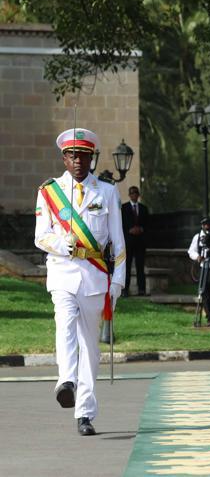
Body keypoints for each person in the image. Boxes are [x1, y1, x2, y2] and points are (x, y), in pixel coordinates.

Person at [34, 128, 125, 436]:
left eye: (84, 156)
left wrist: (118, 284)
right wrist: (63, 244)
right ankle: (66, 380)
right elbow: (40, 237)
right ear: (64, 157)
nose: (78, 162)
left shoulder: (108, 192)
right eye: (72, 155)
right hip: (62, 272)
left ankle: (84, 413)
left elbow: (119, 242)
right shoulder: (49, 191)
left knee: (90, 346)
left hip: (96, 276)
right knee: (64, 323)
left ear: (92, 158)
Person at [121, 185, 148, 296]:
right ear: (129, 195)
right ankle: (125, 290)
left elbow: (148, 223)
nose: (134, 195)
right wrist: (130, 229)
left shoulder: (143, 208)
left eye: (136, 193)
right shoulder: (124, 208)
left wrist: (141, 229)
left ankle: (141, 289)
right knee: (126, 266)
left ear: (138, 195)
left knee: (140, 266)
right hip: (128, 241)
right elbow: (121, 223)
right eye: (132, 193)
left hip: (140, 242)